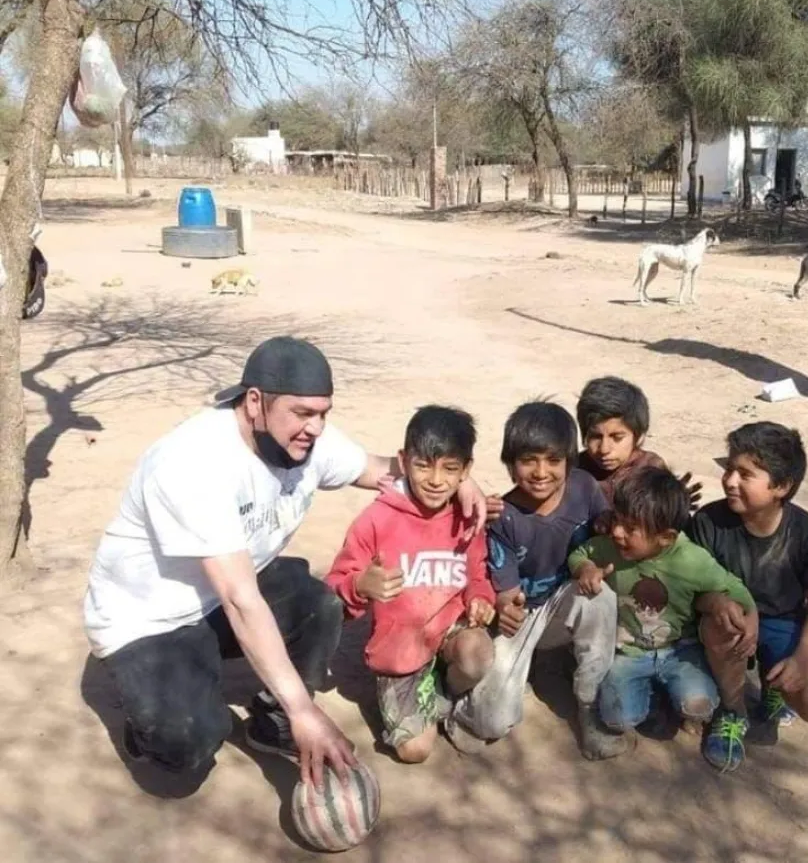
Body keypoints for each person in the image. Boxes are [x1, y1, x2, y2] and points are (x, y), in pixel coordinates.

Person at [83, 336, 487, 791]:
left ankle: (269, 720)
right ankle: (153, 721)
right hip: (149, 619)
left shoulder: (305, 441)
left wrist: (464, 485)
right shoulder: (194, 463)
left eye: (323, 414)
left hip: (220, 594)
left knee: (321, 604)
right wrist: (305, 710)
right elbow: (241, 601)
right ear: (255, 402)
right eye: (302, 413)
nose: (315, 428)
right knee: (189, 742)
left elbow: (384, 471)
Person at [448, 401, 628, 760]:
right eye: (528, 460)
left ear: (568, 462)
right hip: (524, 616)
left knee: (601, 597)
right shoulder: (504, 517)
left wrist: (593, 564)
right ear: (511, 463)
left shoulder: (584, 487)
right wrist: (505, 606)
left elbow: (604, 532)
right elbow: (510, 595)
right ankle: (459, 705)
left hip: (566, 598)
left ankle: (589, 704)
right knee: (490, 723)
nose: (541, 472)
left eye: (553, 460)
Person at [326, 405, 495, 764]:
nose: (436, 480)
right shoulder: (376, 520)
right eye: (423, 465)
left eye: (450, 469)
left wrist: (481, 596)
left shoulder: (468, 516)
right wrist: (359, 585)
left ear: (466, 471)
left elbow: (477, 573)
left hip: (449, 630)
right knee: (414, 751)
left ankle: (445, 690)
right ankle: (411, 692)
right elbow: (332, 592)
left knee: (478, 653)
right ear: (403, 461)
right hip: (400, 651)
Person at [689, 421, 808, 773]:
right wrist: (715, 602)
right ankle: (731, 712)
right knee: (723, 622)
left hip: (784, 622)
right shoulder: (708, 522)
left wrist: (802, 659)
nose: (729, 480)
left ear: (782, 486)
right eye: (729, 469)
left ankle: (776, 686)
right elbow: (692, 591)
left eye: (745, 474)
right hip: (729, 622)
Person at [568, 466, 755, 748]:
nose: (617, 532)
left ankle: (685, 697)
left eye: (630, 528)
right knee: (617, 718)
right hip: (627, 653)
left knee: (699, 705)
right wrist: (585, 568)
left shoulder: (692, 560)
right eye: (617, 520)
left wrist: (752, 617)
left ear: (666, 537)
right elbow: (580, 553)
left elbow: (736, 588)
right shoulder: (609, 546)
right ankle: (653, 696)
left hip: (679, 650)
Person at [575, 376, 703, 508]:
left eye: (617, 437)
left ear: (639, 436)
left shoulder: (650, 469)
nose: (604, 449)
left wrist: (674, 505)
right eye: (595, 437)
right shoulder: (576, 469)